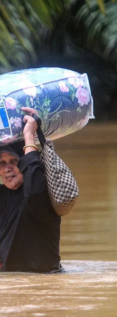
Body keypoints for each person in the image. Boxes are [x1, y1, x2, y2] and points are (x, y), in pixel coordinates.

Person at [0, 107, 62, 273]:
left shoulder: (42, 194)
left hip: (44, 285)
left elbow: (34, 186)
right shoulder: (3, 196)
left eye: (14, 160)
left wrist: (29, 136)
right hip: (11, 286)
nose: (7, 168)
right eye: (2, 163)